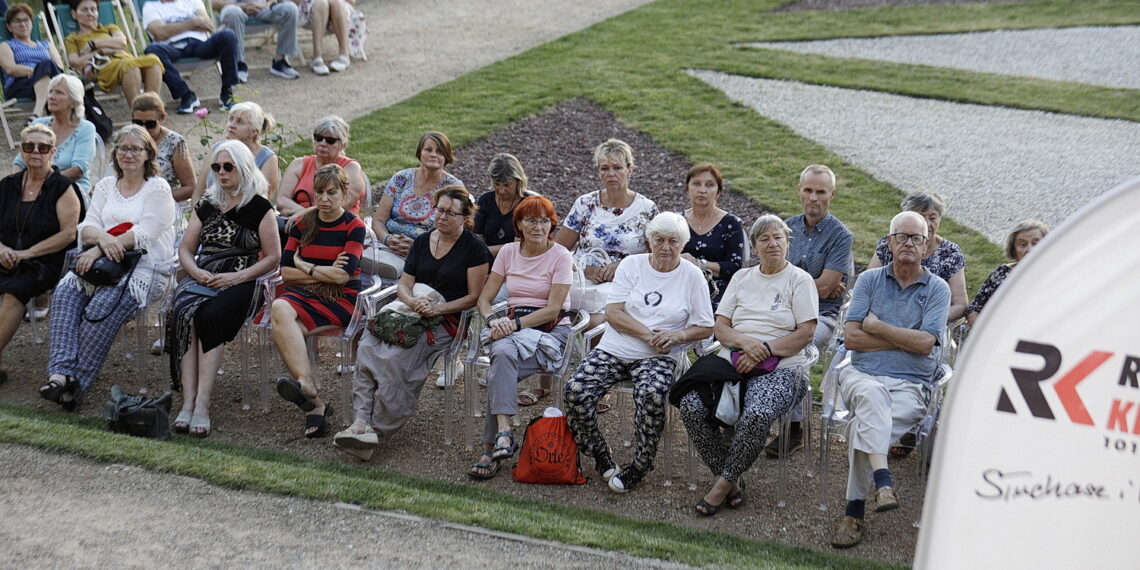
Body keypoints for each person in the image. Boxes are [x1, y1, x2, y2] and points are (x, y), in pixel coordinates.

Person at [672, 214, 817, 516]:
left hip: (783, 367)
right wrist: (745, 344)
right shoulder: (741, 279)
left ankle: (720, 486)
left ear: (788, 243)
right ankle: (734, 481)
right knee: (691, 405)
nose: (772, 243)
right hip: (733, 360)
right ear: (754, 246)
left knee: (758, 414)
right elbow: (721, 326)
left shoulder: (799, 280)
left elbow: (805, 333)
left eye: (778, 237)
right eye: (764, 239)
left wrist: (764, 349)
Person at [334, 185, 490, 460]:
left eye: (450, 213)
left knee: (399, 358)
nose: (442, 217)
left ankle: (376, 431)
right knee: (369, 343)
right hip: (409, 307)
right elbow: (405, 284)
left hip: (447, 318)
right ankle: (360, 421)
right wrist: (410, 301)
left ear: (465, 217)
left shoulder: (474, 249)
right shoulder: (422, 241)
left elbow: (474, 296)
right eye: (439, 210)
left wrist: (439, 308)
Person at [563, 212, 714, 493]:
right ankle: (600, 453)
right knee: (575, 391)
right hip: (616, 347)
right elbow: (613, 312)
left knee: (652, 397)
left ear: (683, 244)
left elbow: (706, 325)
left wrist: (678, 335)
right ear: (649, 241)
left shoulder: (692, 276)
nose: (666, 247)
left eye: (673, 241)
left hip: (659, 356)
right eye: (659, 240)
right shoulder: (632, 266)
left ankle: (641, 464)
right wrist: (648, 335)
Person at [829, 211, 950, 549]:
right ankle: (881, 482)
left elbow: (927, 344)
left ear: (926, 246)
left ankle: (854, 512)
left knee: (860, 427)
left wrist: (878, 326)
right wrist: (905, 339)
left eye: (917, 238)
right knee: (870, 394)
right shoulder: (869, 280)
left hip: (911, 385)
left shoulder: (937, 289)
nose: (909, 243)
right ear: (890, 242)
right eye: (902, 236)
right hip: (863, 373)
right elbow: (852, 338)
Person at [40, 125, 176, 411]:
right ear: (116, 153)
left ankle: (75, 385)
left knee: (99, 310)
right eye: (123, 148)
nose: (128, 154)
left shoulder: (158, 189)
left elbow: (144, 233)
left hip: (144, 270)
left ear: (148, 153)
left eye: (135, 149)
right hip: (100, 264)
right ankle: (59, 375)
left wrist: (101, 246)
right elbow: (88, 226)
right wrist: (101, 240)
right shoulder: (105, 185)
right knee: (65, 294)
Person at [165, 140, 280, 437]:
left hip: (243, 279)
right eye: (216, 167)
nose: (221, 172)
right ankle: (188, 401)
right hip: (204, 274)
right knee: (182, 312)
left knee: (210, 317)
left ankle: (202, 404)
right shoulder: (207, 204)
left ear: (243, 167)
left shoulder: (259, 207)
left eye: (228, 167)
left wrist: (235, 278)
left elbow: (273, 257)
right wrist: (195, 272)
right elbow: (186, 249)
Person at [466, 195, 571, 480]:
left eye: (544, 221)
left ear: (552, 224)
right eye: (530, 220)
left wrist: (513, 325)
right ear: (519, 224)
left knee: (500, 368)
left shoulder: (561, 255)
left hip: (548, 329)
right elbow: (484, 300)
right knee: (502, 360)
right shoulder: (509, 252)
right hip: (511, 327)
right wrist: (494, 320)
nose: (538, 227)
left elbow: (552, 309)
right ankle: (502, 435)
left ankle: (492, 447)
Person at [271, 163, 365, 437]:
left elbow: (342, 279)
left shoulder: (354, 227)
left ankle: (314, 406)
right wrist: (320, 274)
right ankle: (308, 386)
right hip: (303, 295)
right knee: (280, 307)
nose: (324, 199)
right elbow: (285, 272)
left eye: (332, 193)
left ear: (345, 194)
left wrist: (305, 265)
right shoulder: (302, 223)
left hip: (341, 300)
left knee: (286, 331)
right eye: (319, 192)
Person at [765, 164, 853, 457]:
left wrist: (790, 285)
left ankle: (794, 427)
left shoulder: (841, 236)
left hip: (822, 316)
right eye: (808, 190)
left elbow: (827, 289)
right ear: (799, 191)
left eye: (821, 192)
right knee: (749, 340)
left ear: (832, 195)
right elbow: (767, 275)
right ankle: (747, 412)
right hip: (779, 312)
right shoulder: (784, 228)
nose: (813, 197)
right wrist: (810, 284)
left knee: (793, 349)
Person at [0, 124, 84, 385]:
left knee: (14, 292)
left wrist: (26, 254)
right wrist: (2, 249)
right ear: (21, 151)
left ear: (53, 153)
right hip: (6, 256)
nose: (35, 151)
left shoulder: (63, 187)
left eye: (43, 147)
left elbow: (69, 234)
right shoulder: (7, 185)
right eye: (29, 147)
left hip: (46, 261)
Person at [556, 138, 658, 329]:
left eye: (617, 168)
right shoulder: (585, 204)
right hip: (585, 284)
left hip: (629, 283)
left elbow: (657, 255)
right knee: (591, 320)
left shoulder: (647, 209)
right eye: (604, 168)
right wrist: (586, 269)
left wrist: (623, 265)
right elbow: (558, 251)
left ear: (630, 170)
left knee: (599, 322)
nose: (611, 174)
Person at [366, 131, 462, 278]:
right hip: (388, 244)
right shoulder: (401, 178)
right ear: (420, 152)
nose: (433, 155)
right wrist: (388, 239)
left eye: (440, 152)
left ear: (446, 157)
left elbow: (452, 233)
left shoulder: (453, 188)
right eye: (428, 150)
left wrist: (417, 246)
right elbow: (378, 220)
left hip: (428, 250)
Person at [867, 191, 966, 322]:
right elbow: (867, 287)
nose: (927, 224)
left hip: (926, 327)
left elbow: (961, 305)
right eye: (920, 216)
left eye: (933, 218)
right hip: (883, 318)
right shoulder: (889, 244)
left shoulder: (950, 253)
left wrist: (928, 321)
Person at [141, 0, 240, 113]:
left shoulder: (193, 1)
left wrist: (172, 28)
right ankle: (186, 95)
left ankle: (227, 92)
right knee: (152, 50)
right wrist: (193, 23)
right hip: (172, 48)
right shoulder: (150, 7)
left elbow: (208, 25)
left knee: (228, 35)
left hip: (200, 45)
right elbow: (160, 33)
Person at [64, 0, 164, 109]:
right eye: (84, 10)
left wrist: (94, 44)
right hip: (102, 67)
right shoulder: (73, 38)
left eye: (93, 9)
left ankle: (152, 111)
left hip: (126, 61)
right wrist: (102, 51)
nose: (90, 13)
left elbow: (122, 41)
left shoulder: (110, 28)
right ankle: (138, 116)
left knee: (153, 62)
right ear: (74, 14)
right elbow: (74, 61)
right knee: (131, 67)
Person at [14, 75, 95, 198]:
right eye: (50, 92)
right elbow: (19, 162)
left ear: (73, 102)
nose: (51, 96)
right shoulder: (39, 124)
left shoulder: (85, 128)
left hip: (70, 190)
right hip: (33, 189)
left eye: (59, 93)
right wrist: (18, 184)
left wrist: (44, 184)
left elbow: (78, 170)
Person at [678, 163, 744, 309]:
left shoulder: (731, 224)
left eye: (709, 185)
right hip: (679, 286)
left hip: (717, 291)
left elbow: (735, 267)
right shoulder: (676, 221)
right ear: (687, 189)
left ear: (718, 192)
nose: (702, 190)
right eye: (696, 184)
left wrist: (700, 264)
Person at [965, 219, 1049, 327]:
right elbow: (975, 307)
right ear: (1013, 249)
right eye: (1022, 244)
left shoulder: (1053, 275)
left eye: (1035, 243)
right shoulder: (1002, 273)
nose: (1029, 250)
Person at [277, 115, 365, 217]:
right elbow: (282, 200)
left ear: (343, 144)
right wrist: (306, 216)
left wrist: (307, 215)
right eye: (318, 138)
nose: (322, 143)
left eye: (330, 140)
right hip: (299, 223)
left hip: (337, 227)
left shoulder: (351, 168)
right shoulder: (298, 164)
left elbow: (343, 204)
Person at [192, 101, 279, 203]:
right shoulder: (216, 149)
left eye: (239, 122)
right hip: (210, 212)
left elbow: (263, 203)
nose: (231, 125)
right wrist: (198, 216)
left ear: (254, 131)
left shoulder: (267, 158)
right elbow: (198, 194)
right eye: (231, 119)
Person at [0, 3, 64, 117]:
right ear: (9, 27)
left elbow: (59, 68)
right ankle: (40, 113)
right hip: (20, 85)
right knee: (48, 67)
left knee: (54, 76)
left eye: (26, 20)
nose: (23, 24)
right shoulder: (5, 45)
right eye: (17, 21)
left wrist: (42, 72)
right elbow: (10, 69)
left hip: (51, 81)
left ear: (32, 23)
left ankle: (37, 116)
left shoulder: (47, 45)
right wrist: (39, 71)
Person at [131, 92, 195, 202]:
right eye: (137, 123)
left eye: (150, 124)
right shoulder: (126, 139)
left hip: (162, 204)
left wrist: (159, 200)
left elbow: (190, 187)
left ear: (162, 118)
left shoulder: (175, 142)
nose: (143, 129)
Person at [214, 0, 301, 81]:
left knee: (291, 9)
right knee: (233, 12)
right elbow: (214, 3)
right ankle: (238, 65)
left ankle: (280, 62)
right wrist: (244, 6)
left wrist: (267, 4)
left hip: (262, 9)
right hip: (234, 7)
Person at [473, 153, 536, 257]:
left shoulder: (528, 204)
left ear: (518, 181)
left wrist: (483, 252)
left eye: (507, 185)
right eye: (496, 184)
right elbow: (477, 237)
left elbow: (519, 246)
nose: (501, 190)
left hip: (516, 259)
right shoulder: (485, 200)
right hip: (484, 259)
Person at [293, 0, 351, 76]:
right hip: (310, 5)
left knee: (337, 2)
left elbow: (352, 1)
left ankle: (344, 54)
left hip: (339, 6)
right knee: (322, 3)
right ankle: (317, 57)